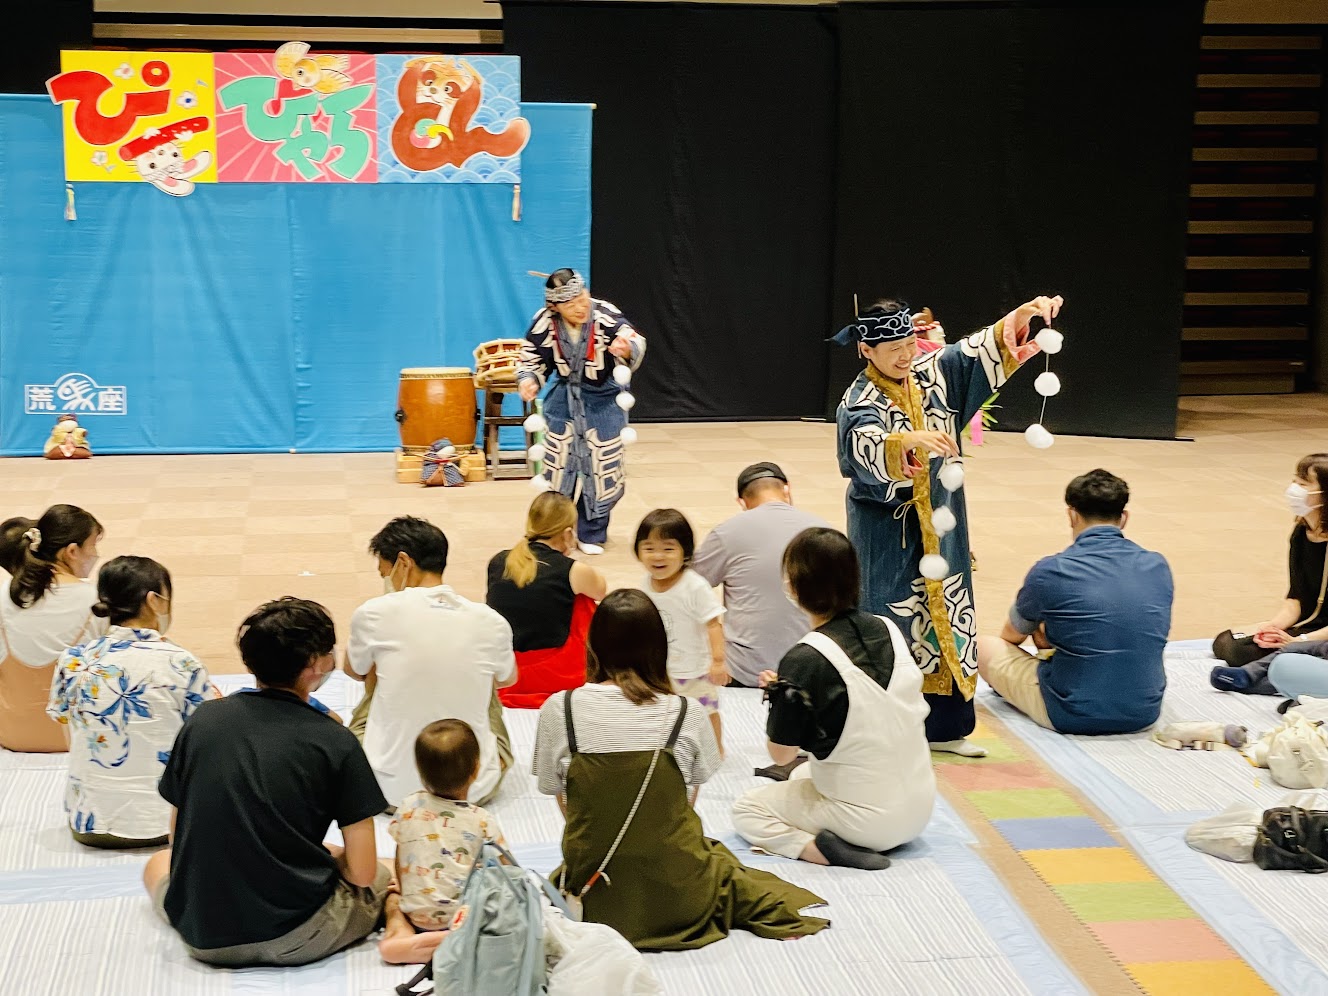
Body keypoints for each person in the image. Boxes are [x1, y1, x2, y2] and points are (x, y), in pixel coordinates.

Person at [832, 294, 1064, 756]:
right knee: (894, 621)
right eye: (893, 348)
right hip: (889, 536)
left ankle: (946, 729)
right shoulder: (857, 400)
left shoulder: (933, 372)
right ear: (866, 350)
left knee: (951, 619)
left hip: (943, 525)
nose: (905, 355)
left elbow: (974, 352)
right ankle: (889, 731)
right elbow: (862, 448)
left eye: (908, 343)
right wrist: (905, 442)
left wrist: (1021, 317)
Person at [532, 589, 828, 950]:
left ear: (593, 645)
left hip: (595, 896)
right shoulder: (686, 712)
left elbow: (561, 798)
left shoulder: (559, 709)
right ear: (659, 647)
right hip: (681, 898)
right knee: (712, 854)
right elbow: (685, 803)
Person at [142, 598, 390, 968]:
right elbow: (363, 872)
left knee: (157, 864)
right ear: (316, 664)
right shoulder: (335, 741)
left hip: (202, 932)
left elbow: (179, 837)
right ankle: (399, 931)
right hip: (298, 935)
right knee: (386, 872)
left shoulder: (204, 720)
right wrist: (335, 859)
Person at [732, 528, 934, 869]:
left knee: (748, 808)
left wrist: (781, 699)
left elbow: (781, 754)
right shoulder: (889, 628)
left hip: (865, 824)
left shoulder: (804, 658)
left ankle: (820, 850)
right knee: (802, 775)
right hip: (920, 809)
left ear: (795, 587)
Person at [976, 470, 1173, 735]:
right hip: (1144, 712)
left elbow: (1012, 636)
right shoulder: (1158, 565)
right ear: (1124, 518)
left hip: (1070, 713)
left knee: (984, 647)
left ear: (1072, 515)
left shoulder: (1051, 570)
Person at [346, 516, 517, 807]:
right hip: (474, 789)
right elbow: (507, 680)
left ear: (403, 563)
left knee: (376, 667)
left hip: (385, 790)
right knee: (484, 677)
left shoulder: (373, 613)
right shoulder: (491, 621)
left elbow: (354, 670)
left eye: (384, 572)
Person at [47, 556, 217, 848]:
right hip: (165, 824)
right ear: (154, 600)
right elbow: (206, 739)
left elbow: (68, 730)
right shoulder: (182, 663)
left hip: (88, 825)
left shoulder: (73, 659)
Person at [517, 268, 647, 555]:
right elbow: (531, 357)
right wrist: (529, 379)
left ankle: (592, 532)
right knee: (558, 466)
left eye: (582, 298)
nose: (580, 307)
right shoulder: (544, 322)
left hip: (604, 399)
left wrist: (626, 348)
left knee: (602, 467)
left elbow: (632, 338)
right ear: (555, 307)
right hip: (564, 399)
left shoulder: (605, 315)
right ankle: (554, 534)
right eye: (570, 304)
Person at [380, 719, 508, 965]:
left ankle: (400, 936)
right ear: (476, 769)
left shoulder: (408, 807)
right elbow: (507, 869)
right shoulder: (481, 820)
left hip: (418, 916)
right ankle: (462, 939)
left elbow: (401, 855)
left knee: (392, 899)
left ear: (420, 773)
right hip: (465, 916)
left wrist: (403, 890)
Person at [692, 462, 829, 688]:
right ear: (787, 489)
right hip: (810, 669)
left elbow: (688, 585)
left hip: (745, 673)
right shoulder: (823, 531)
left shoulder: (727, 533)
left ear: (742, 502)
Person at [1211, 453, 1328, 689]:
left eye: (1304, 484)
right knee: (1227, 643)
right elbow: (1296, 597)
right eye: (1295, 481)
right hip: (1311, 624)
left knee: (1290, 656)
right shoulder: (1301, 534)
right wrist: (1273, 627)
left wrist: (1299, 640)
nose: (1294, 489)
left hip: (1322, 636)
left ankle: (1255, 680)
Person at [0, 505, 106, 752]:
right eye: (93, 545)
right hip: (76, 735)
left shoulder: (4, 595)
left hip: (11, 733)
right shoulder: (96, 600)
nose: (96, 554)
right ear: (72, 551)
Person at [487, 492, 607, 708]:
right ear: (568, 532)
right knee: (584, 601)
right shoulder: (573, 570)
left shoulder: (498, 561)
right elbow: (601, 592)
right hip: (556, 675)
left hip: (504, 671)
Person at [635, 509, 729, 753]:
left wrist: (718, 661)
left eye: (668, 548)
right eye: (649, 548)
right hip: (660, 669)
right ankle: (667, 749)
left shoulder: (694, 586)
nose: (658, 556)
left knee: (707, 710)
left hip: (695, 669)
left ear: (685, 552)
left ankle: (715, 749)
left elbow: (713, 624)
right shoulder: (645, 585)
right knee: (662, 710)